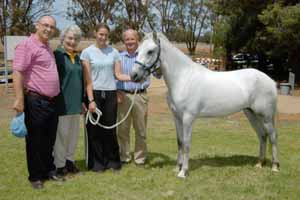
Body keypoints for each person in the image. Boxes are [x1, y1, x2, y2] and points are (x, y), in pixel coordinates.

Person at [12, 15, 64, 189]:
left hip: (52, 101)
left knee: (49, 140)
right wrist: (19, 99)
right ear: (37, 25)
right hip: (36, 101)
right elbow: (18, 72)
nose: (48, 29)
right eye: (45, 25)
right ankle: (35, 176)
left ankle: (48, 171)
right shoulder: (27, 45)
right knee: (35, 140)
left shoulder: (47, 45)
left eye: (52, 27)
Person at [80, 23, 131, 172]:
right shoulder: (87, 53)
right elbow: (88, 80)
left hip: (110, 94)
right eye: (100, 34)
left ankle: (113, 162)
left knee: (110, 129)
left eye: (106, 35)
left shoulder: (114, 52)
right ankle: (97, 163)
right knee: (94, 130)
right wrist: (90, 100)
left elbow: (118, 75)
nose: (103, 37)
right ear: (95, 33)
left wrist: (133, 78)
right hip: (94, 93)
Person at [53, 25, 84, 176]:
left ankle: (70, 162)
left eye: (75, 39)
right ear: (63, 38)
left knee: (73, 135)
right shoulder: (57, 55)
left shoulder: (77, 57)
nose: (72, 41)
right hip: (62, 104)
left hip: (76, 104)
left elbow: (81, 81)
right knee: (62, 136)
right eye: (70, 38)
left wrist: (82, 101)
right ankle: (59, 165)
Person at [116, 29, 150, 165]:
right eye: (127, 39)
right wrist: (117, 91)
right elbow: (115, 76)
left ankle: (140, 158)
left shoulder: (144, 57)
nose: (130, 42)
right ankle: (124, 157)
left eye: (132, 39)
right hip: (123, 96)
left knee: (140, 130)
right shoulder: (118, 57)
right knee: (123, 129)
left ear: (138, 40)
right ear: (124, 41)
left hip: (140, 96)